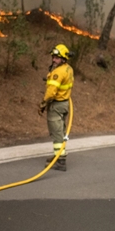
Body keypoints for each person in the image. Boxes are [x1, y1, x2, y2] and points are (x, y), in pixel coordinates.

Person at [39, 44, 73, 172]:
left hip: (56, 105)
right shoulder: (68, 69)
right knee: (61, 131)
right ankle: (58, 155)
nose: (54, 60)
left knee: (57, 133)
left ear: (63, 59)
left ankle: (60, 161)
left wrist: (42, 104)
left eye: (57, 58)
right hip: (64, 104)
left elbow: (51, 92)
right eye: (53, 57)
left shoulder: (58, 72)